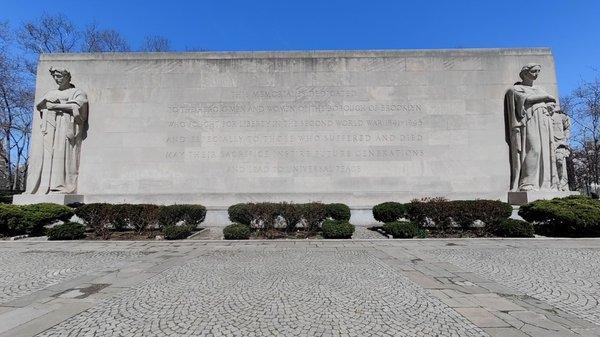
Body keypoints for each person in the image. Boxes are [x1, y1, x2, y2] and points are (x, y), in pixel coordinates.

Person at [25, 67, 88, 194]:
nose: (56, 79)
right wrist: (47, 106)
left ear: (67, 77)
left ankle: (60, 185)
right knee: (49, 156)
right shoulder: (51, 93)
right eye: (54, 76)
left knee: (62, 154)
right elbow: (40, 106)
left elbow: (79, 107)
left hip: (65, 127)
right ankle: (46, 185)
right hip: (50, 127)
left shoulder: (76, 92)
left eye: (59, 76)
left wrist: (56, 106)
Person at [504, 63, 558, 191]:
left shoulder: (540, 89)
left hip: (544, 120)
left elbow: (552, 103)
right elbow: (525, 100)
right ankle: (526, 183)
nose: (536, 74)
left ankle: (545, 183)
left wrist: (549, 105)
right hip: (529, 120)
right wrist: (545, 98)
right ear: (525, 73)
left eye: (538, 71)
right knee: (534, 149)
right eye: (534, 71)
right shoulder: (516, 89)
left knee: (546, 151)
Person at [551, 104, 571, 191]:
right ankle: (555, 184)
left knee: (559, 162)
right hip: (549, 142)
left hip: (560, 143)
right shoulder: (546, 116)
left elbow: (567, 128)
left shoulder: (562, 116)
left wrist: (565, 138)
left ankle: (562, 184)